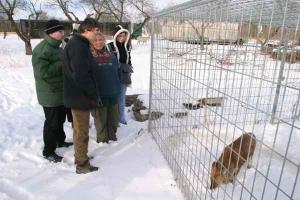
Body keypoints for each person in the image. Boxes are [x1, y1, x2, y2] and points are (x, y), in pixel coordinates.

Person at [32, 19, 73, 163]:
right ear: (51, 33)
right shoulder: (42, 50)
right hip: (50, 93)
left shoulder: (57, 47)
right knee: (52, 123)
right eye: (60, 31)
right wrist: (62, 64)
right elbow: (42, 73)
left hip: (60, 91)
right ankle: (48, 150)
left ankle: (60, 141)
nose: (63, 34)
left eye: (63, 31)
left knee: (60, 119)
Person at [63, 18, 100, 174]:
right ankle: (82, 165)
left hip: (77, 95)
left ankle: (81, 157)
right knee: (81, 132)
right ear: (87, 30)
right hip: (80, 97)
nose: (97, 34)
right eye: (95, 31)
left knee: (79, 130)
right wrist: (93, 94)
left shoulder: (77, 43)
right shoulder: (79, 47)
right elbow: (81, 76)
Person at [91, 32, 120, 143]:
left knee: (113, 119)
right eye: (95, 40)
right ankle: (102, 141)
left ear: (104, 41)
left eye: (100, 39)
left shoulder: (111, 55)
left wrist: (117, 86)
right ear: (92, 42)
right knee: (100, 120)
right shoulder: (89, 56)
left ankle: (112, 137)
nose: (98, 42)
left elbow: (117, 72)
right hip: (98, 94)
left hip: (112, 91)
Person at [108, 25, 133, 125]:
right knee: (113, 98)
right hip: (113, 76)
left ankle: (121, 118)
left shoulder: (127, 46)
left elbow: (129, 60)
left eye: (123, 36)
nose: (122, 38)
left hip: (124, 76)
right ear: (115, 36)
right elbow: (109, 61)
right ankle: (113, 118)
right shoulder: (109, 46)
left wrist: (129, 69)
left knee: (121, 98)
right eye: (119, 36)